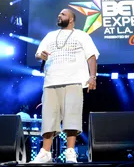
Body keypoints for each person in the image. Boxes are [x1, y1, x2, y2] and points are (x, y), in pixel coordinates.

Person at [30, 9, 99, 163]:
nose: (59, 16)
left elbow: (91, 56)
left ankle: (70, 151)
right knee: (49, 118)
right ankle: (45, 153)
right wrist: (40, 55)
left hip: (73, 80)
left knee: (72, 117)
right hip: (51, 81)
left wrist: (92, 76)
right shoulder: (50, 35)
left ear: (72, 19)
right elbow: (38, 53)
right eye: (59, 14)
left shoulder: (81, 35)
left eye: (63, 14)